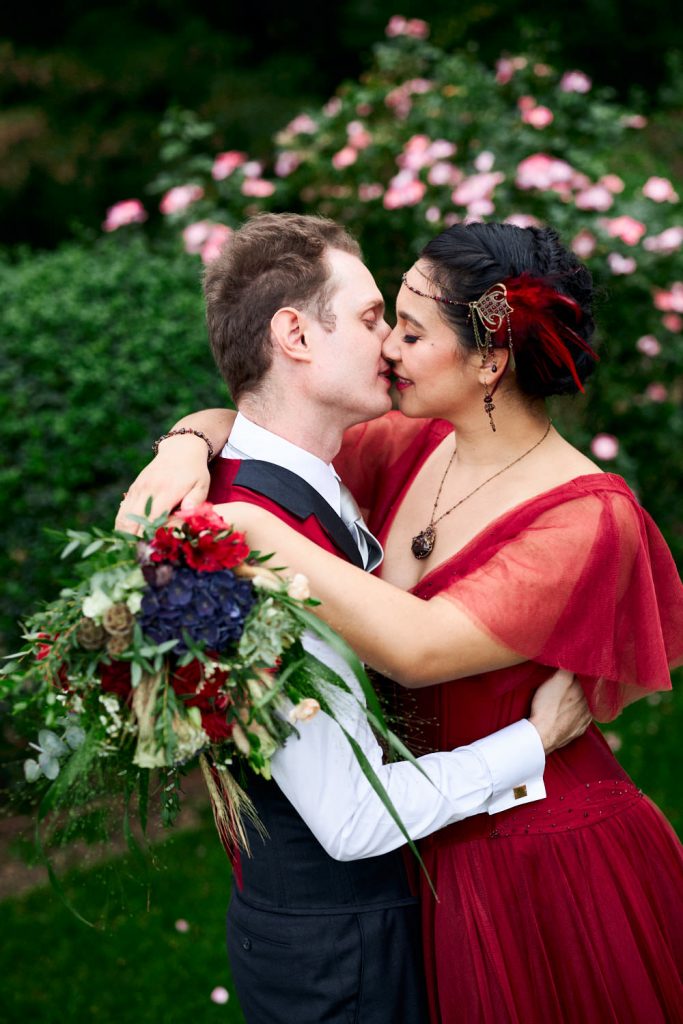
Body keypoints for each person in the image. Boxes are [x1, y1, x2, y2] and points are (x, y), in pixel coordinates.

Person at [123, 220, 683, 1023]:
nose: (385, 347)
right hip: (422, 840)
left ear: (488, 361)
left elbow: (417, 648)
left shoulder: (585, 520)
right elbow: (266, 428)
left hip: (539, 850)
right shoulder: (411, 444)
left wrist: (243, 531)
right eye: (382, 321)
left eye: (410, 331)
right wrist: (183, 446)